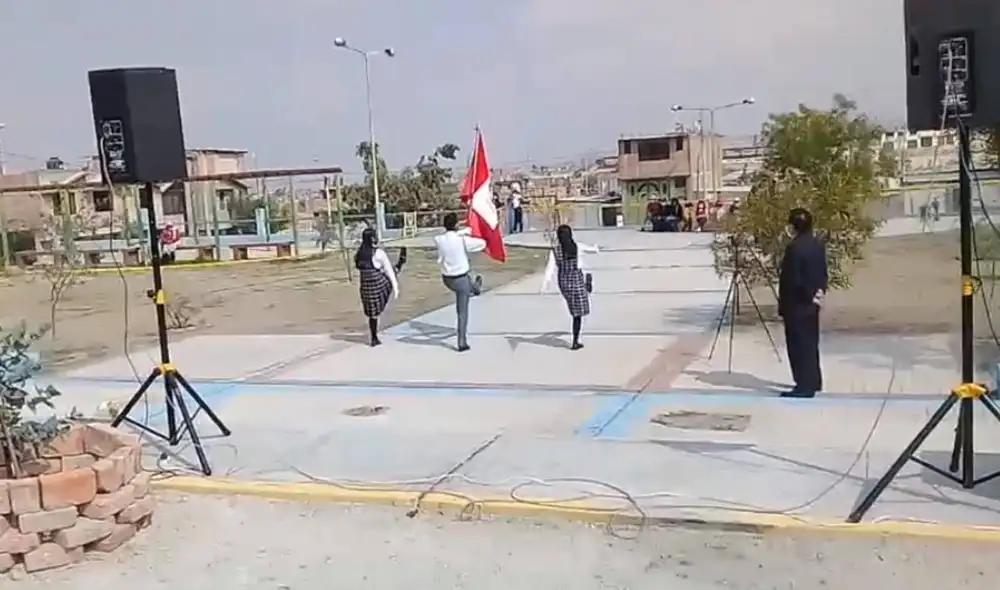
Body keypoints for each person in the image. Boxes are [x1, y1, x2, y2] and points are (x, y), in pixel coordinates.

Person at [778, 208, 828, 398]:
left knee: (799, 345)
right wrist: (818, 293)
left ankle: (804, 385)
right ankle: (814, 380)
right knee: (811, 343)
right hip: (812, 302)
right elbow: (822, 273)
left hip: (797, 304)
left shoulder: (794, 248)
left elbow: (794, 278)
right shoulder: (817, 244)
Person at [434, 213, 486, 352]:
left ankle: (474, 287)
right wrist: (472, 232)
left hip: (447, 279)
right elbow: (482, 244)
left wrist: (465, 231)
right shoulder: (462, 240)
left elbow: (452, 235)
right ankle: (461, 342)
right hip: (460, 279)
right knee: (462, 311)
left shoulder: (439, 239)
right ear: (456, 225)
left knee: (468, 282)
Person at [541, 225, 599, 350]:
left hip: (564, 281)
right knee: (579, 310)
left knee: (575, 311)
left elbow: (550, 269)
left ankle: (575, 340)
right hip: (576, 278)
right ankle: (575, 341)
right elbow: (590, 249)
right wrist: (596, 248)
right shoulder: (576, 247)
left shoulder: (555, 250)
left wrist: (544, 285)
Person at [355, 228, 401, 347]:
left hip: (365, 287)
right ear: (372, 238)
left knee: (372, 314)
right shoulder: (378, 253)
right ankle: (400, 264)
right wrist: (396, 287)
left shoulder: (359, 255)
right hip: (377, 284)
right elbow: (388, 271)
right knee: (391, 275)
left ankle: (374, 337)